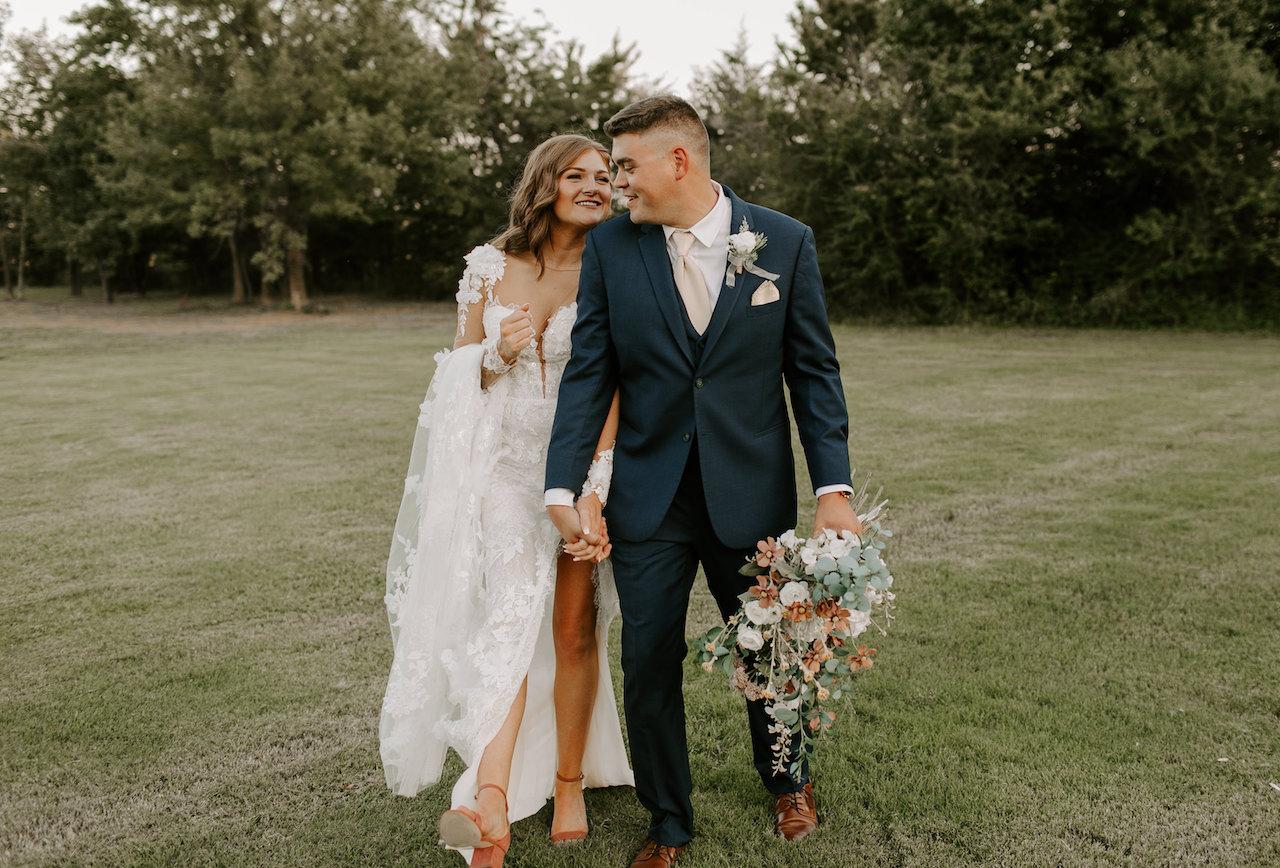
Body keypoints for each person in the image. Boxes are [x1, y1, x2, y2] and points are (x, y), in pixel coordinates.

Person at [545, 96, 863, 868]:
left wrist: (834, 488)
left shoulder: (783, 242)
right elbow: (592, 370)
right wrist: (562, 487)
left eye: (625, 167)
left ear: (677, 161)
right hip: (649, 496)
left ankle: (787, 778)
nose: (616, 184)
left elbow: (813, 373)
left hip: (748, 492)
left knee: (770, 649)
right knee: (648, 656)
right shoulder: (614, 251)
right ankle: (668, 822)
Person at [381, 133, 633, 868]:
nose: (595, 186)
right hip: (501, 471)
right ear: (546, 183)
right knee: (509, 619)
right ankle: (491, 797)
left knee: (573, 628)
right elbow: (457, 371)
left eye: (604, 177)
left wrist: (595, 488)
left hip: (582, 467)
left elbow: (618, 381)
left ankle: (569, 780)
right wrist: (496, 355)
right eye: (577, 175)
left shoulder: (618, 266)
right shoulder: (489, 267)